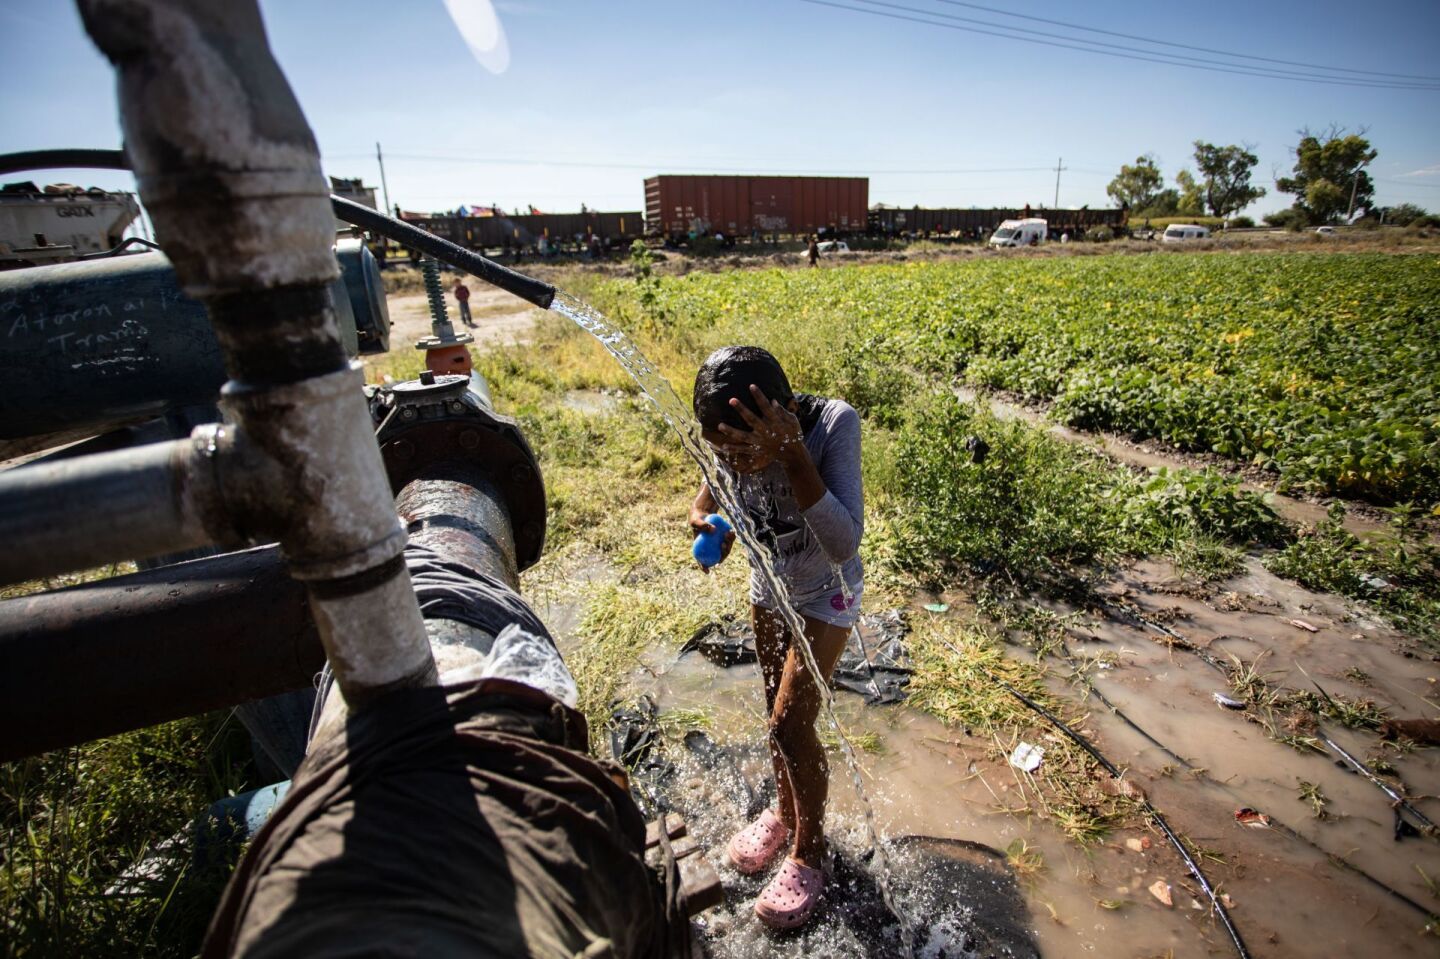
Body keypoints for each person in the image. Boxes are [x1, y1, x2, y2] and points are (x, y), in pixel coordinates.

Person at [687, 346, 863, 930]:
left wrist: (790, 454)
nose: (733, 463)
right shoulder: (730, 448)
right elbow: (711, 487)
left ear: (782, 414)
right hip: (770, 584)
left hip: (826, 590)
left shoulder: (832, 425)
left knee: (792, 724)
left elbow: (843, 542)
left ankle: (810, 851)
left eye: (744, 448)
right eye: (722, 450)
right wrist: (708, 517)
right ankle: (784, 811)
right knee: (773, 714)